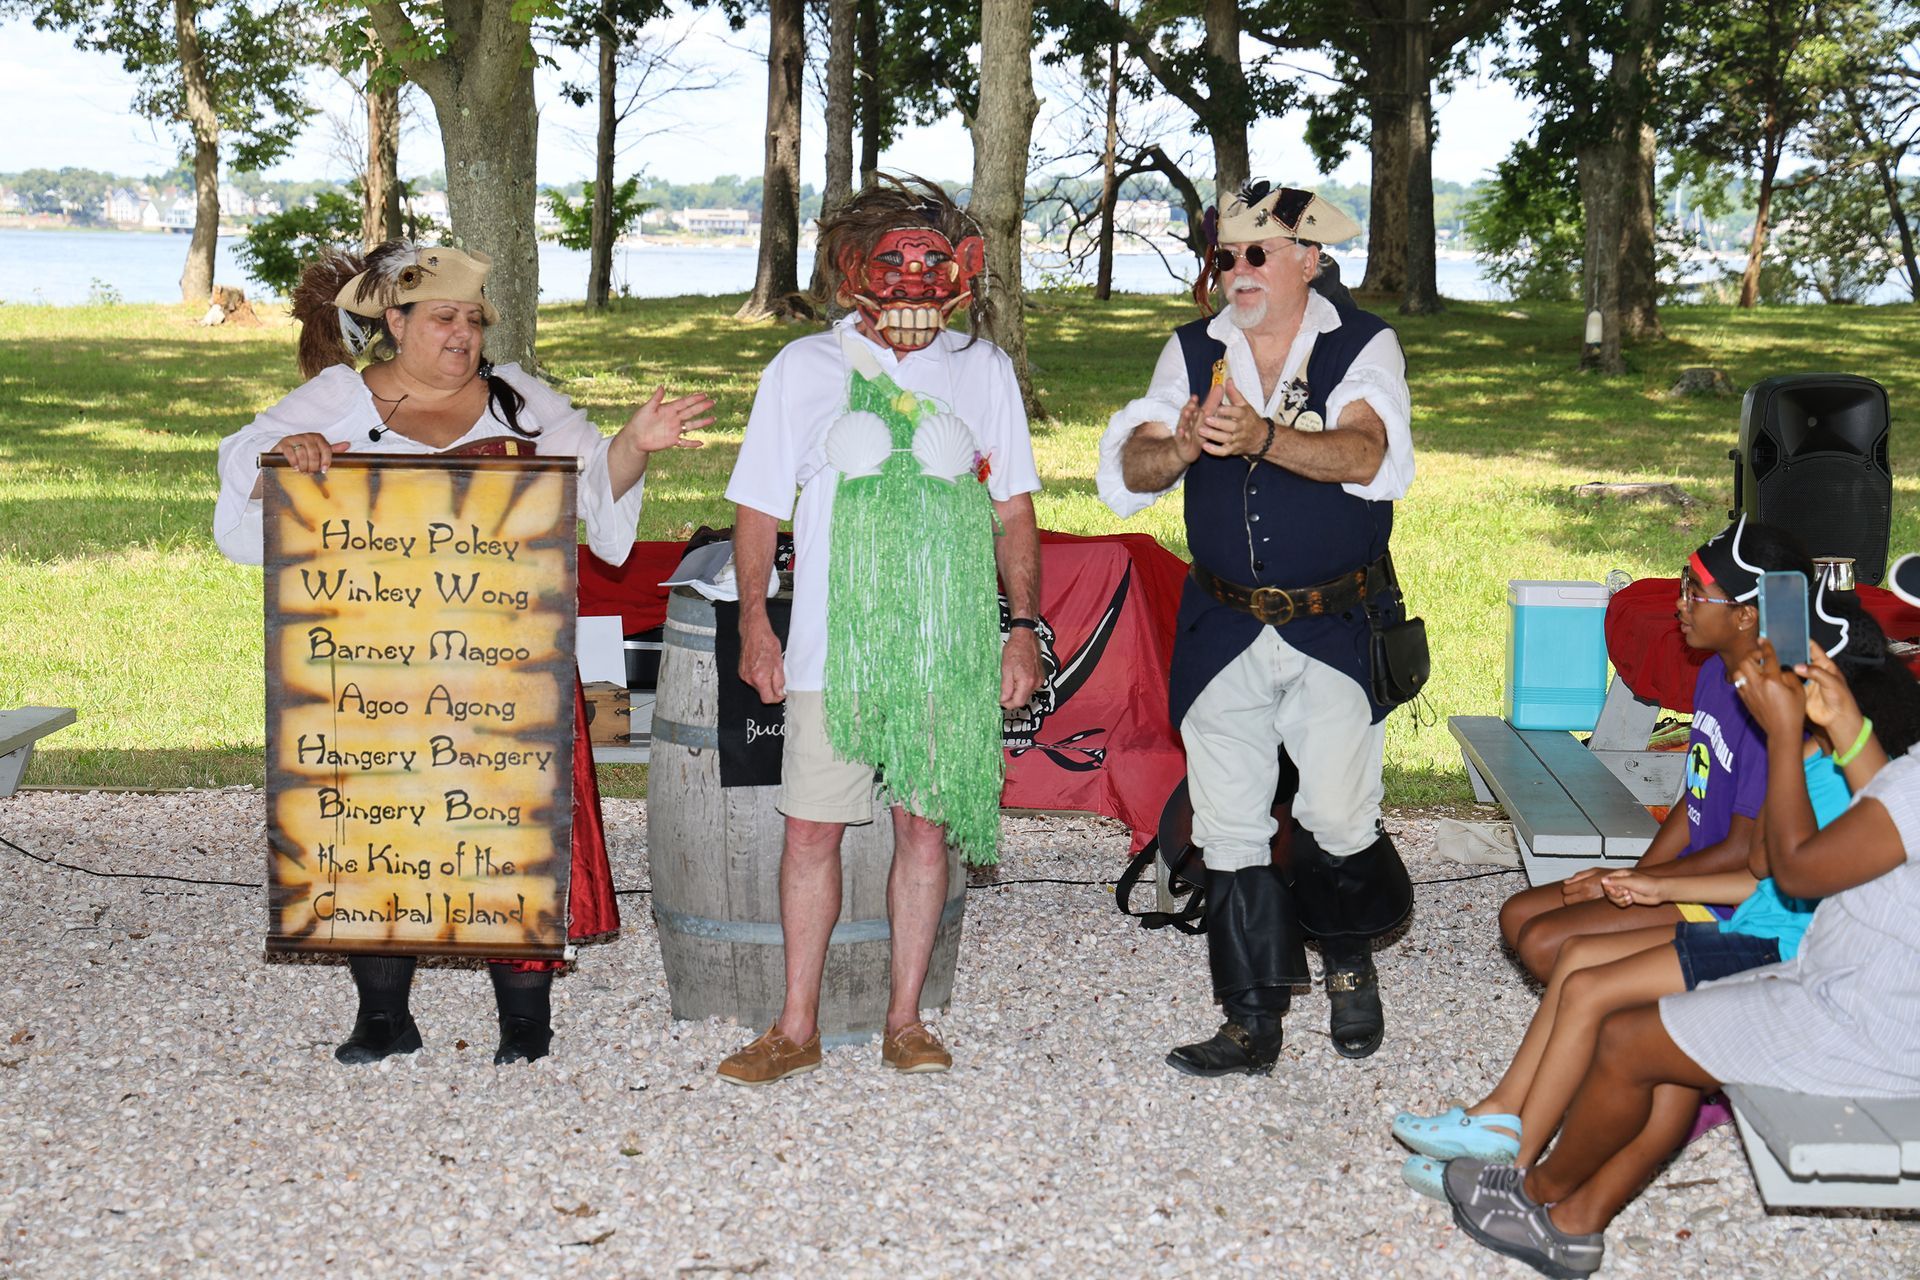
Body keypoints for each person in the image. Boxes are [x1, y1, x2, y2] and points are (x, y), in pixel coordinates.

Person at [213, 241, 713, 1065]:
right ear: (396, 323)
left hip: (506, 667)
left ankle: (525, 1020)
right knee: (383, 824)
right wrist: (291, 455)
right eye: (444, 318)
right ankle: (383, 1015)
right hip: (379, 663)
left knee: (507, 830)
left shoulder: (518, 398)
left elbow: (594, 481)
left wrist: (636, 440)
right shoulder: (339, 396)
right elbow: (245, 469)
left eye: (473, 320)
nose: (463, 335)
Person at [1393, 589, 1920, 1198]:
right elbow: (1763, 873)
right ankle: (1503, 1128)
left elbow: (1771, 866)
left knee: (1595, 991)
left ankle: (1519, 1169)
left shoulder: (1827, 773)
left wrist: (1777, 746)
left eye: (1775, 665)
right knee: (1580, 966)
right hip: (1761, 926)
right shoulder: (1822, 758)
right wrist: (1650, 881)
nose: (1757, 673)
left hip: (1778, 946)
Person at [716, 175, 1043, 1085]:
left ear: (960, 277)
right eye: (889, 271)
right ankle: (794, 1025)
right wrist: (756, 624)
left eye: (929, 273)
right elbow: (755, 507)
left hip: (946, 650)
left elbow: (1012, 512)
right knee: (811, 833)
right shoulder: (802, 369)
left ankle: (906, 1020)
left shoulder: (981, 371)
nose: (911, 299)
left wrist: (1020, 629)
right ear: (852, 273)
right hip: (829, 650)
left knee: (925, 831)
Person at [1096, 181, 1417, 1071]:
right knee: (1230, 826)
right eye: (1225, 256)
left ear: (1309, 260)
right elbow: (1133, 462)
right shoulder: (1193, 351)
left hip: (1331, 624)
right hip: (1224, 626)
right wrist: (1188, 442)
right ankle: (1251, 1022)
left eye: (1256, 254)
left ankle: (1349, 960)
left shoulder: (1362, 344)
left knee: (1339, 815)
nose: (1236, 272)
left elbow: (1365, 451)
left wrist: (1264, 438)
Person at [1497, 518, 1814, 983]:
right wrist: (1635, 876)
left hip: (1727, 896)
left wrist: (1646, 884)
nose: (1679, 604)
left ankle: (1632, 1015)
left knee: (1546, 943)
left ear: (1746, 615)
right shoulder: (1714, 673)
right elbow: (1696, 797)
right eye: (1683, 584)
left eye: (1695, 593)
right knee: (1517, 915)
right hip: (1689, 874)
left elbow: (1743, 852)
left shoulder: (1774, 709)